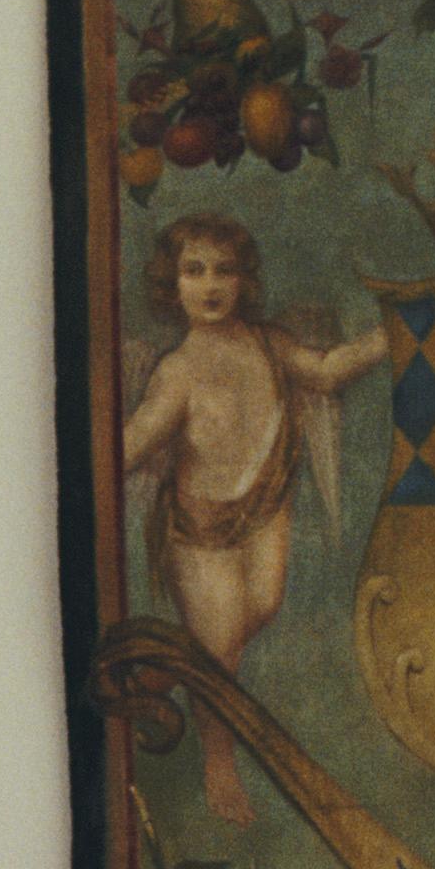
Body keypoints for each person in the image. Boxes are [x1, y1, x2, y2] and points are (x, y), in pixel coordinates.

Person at [121, 213, 387, 823]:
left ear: (244, 280)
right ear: (172, 283)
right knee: (219, 656)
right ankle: (219, 764)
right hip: (202, 530)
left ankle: (178, 672)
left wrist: (392, 335)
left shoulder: (268, 343)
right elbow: (130, 446)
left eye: (225, 270)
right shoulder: (178, 372)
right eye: (194, 271)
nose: (210, 284)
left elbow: (325, 370)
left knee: (261, 606)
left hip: (267, 507)